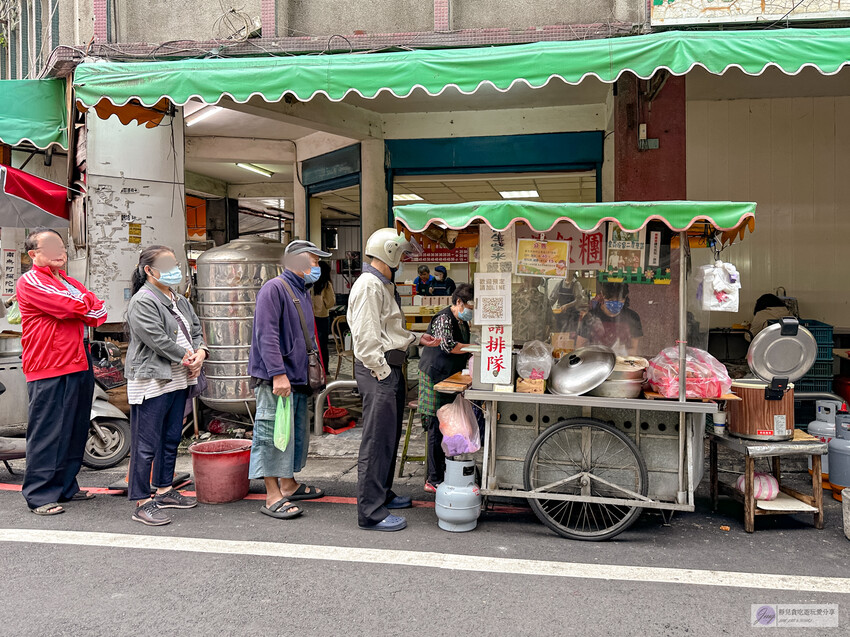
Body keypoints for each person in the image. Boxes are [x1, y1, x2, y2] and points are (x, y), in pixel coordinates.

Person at [348, 228, 441, 532]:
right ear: (389, 253)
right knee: (377, 440)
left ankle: (383, 494)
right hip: (379, 371)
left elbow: (389, 332)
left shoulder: (382, 285)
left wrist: (416, 338)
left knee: (388, 437)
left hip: (390, 368)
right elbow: (365, 340)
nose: (403, 260)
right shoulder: (370, 286)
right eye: (401, 254)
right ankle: (371, 511)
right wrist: (383, 372)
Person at [16, 228, 107, 516]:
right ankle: (40, 496)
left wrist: (83, 307)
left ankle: (67, 487)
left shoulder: (69, 281)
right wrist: (83, 307)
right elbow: (67, 307)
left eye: (61, 245)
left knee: (74, 427)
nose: (60, 251)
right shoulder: (30, 281)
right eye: (52, 246)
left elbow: (99, 311)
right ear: (34, 254)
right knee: (47, 431)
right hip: (48, 364)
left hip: (79, 360)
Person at [248, 239, 331, 520]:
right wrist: (278, 374)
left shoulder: (302, 290)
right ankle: (272, 495)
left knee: (292, 435)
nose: (317, 267)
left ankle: (289, 484)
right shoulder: (274, 289)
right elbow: (266, 335)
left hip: (296, 377)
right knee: (273, 435)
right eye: (313, 261)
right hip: (278, 379)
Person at [125, 245, 207, 526]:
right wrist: (188, 358)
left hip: (179, 378)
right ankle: (141, 500)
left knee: (171, 437)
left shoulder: (178, 299)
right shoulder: (143, 301)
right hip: (152, 380)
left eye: (175, 264)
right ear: (149, 270)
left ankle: (164, 489)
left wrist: (201, 353)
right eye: (167, 264)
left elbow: (196, 329)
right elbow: (156, 339)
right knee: (145, 443)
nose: (175, 270)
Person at [418, 283, 474, 492]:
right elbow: (448, 345)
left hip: (449, 377)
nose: (471, 311)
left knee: (448, 425)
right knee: (435, 423)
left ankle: (445, 470)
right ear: (459, 302)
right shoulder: (444, 318)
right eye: (470, 306)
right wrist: (475, 348)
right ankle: (433, 479)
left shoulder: (461, 321)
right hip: (433, 375)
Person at [576, 282, 642, 356]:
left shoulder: (633, 317)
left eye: (619, 299)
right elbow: (580, 348)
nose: (615, 303)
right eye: (611, 300)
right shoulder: (590, 318)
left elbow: (633, 349)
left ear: (625, 298)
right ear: (603, 296)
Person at [311, 260, 335, 372]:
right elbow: (330, 302)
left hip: (309, 317)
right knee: (322, 345)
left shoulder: (309, 283)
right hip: (322, 317)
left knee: (310, 344)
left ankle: (312, 368)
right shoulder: (326, 284)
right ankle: (324, 369)